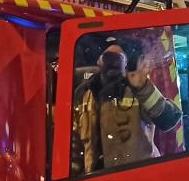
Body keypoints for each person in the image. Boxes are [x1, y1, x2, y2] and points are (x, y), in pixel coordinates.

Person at [72, 42, 182, 173]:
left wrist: (144, 88)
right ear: (99, 61)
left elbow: (169, 120)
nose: (113, 63)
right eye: (108, 57)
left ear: (126, 63)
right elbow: (75, 146)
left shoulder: (138, 90)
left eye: (118, 58)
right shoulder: (84, 95)